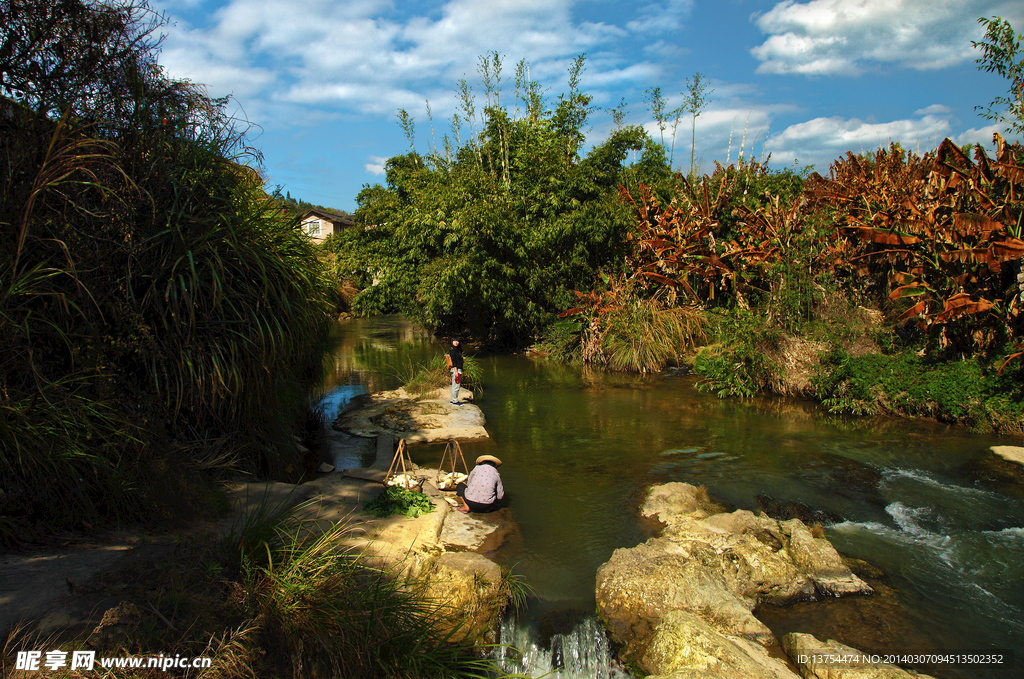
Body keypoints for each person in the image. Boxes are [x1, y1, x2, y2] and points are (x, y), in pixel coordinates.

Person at [448, 339, 464, 406]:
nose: (456, 342)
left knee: (455, 385)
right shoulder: (452, 351)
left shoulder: (457, 350)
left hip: (459, 369)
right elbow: (454, 362)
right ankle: (455, 400)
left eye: (457, 341)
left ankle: (452, 399)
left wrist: (462, 368)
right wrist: (456, 371)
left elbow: (460, 361)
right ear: (452, 342)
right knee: (456, 386)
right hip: (456, 370)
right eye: (454, 341)